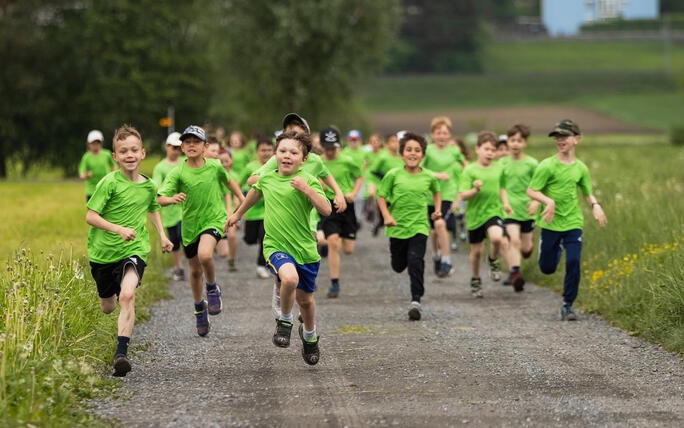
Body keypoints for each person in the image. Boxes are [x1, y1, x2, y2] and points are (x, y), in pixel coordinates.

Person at [227, 131, 331, 365]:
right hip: (276, 245)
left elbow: (326, 210)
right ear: (275, 154)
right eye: (282, 151)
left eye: (293, 152)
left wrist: (307, 190)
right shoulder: (267, 177)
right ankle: (284, 321)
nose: (287, 155)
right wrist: (237, 215)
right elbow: (253, 193)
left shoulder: (308, 180)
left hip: (305, 249)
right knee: (289, 279)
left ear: (303, 159)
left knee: (306, 301)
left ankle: (310, 336)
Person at [85, 125, 173, 376]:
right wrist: (118, 229)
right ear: (115, 156)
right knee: (108, 307)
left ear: (143, 153)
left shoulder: (148, 185)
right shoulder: (109, 183)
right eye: (123, 151)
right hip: (102, 253)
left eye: (134, 150)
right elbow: (90, 216)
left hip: (134, 249)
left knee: (127, 295)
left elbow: (153, 207)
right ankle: (110, 294)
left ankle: (121, 354)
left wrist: (163, 236)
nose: (129, 154)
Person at [247, 113, 347, 319]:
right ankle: (281, 291)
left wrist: (338, 194)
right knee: (286, 270)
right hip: (282, 217)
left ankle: (303, 302)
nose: (292, 132)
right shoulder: (280, 160)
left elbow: (328, 177)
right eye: (288, 129)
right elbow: (252, 181)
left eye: (298, 128)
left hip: (307, 218)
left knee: (304, 261)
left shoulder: (314, 161)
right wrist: (273, 178)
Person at [158, 125, 244, 337]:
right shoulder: (177, 171)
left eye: (196, 142)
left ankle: (213, 287)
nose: (191, 145)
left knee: (206, 255)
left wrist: (242, 201)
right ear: (182, 147)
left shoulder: (215, 166)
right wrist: (172, 199)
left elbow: (229, 182)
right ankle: (199, 308)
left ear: (206, 146)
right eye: (187, 142)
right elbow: (160, 198)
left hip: (214, 220)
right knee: (195, 271)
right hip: (190, 227)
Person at [527, 119, 607, 321]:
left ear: (576, 139)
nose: (559, 140)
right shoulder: (547, 165)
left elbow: (588, 193)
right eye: (557, 137)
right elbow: (531, 190)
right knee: (547, 268)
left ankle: (568, 304)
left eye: (564, 136)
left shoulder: (581, 168)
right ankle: (553, 250)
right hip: (550, 223)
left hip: (573, 221)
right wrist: (547, 201)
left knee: (573, 261)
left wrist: (595, 206)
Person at [377, 132, 441, 321]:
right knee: (398, 266)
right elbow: (381, 196)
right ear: (401, 153)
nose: (413, 153)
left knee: (415, 261)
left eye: (417, 150)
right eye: (409, 150)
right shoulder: (393, 175)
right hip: (397, 227)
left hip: (419, 226)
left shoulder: (429, 176)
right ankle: (402, 262)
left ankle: (416, 301)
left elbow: (437, 192)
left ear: (423, 155)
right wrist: (387, 216)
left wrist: (437, 210)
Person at [458, 131, 514, 298]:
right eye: (487, 149)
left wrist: (506, 203)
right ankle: (476, 279)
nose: (490, 153)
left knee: (497, 238)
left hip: (494, 211)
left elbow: (502, 188)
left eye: (493, 150)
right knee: (476, 252)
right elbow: (463, 195)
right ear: (477, 149)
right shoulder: (470, 171)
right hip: (475, 215)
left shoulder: (499, 168)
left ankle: (493, 260)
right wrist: (475, 189)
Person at [319, 127, 363, 298]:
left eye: (333, 147)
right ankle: (334, 283)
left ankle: (320, 239)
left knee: (348, 249)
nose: (330, 151)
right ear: (322, 146)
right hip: (329, 205)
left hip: (347, 204)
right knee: (333, 242)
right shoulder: (318, 163)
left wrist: (353, 193)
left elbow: (359, 176)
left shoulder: (347, 160)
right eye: (327, 147)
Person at [423, 116, 465, 278]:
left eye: (445, 133)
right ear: (433, 134)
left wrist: (460, 195)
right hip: (429, 196)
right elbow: (418, 168)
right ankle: (436, 255)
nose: (442, 136)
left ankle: (446, 260)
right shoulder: (428, 150)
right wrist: (437, 175)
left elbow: (465, 166)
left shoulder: (454, 151)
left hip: (448, 194)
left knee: (440, 224)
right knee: (433, 231)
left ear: (450, 135)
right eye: (438, 133)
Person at [499, 124, 539, 291]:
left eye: (519, 141)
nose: (515, 144)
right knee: (513, 240)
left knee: (525, 248)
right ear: (508, 141)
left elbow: (539, 185)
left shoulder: (532, 163)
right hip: (509, 209)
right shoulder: (502, 163)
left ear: (525, 143)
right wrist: (504, 202)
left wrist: (536, 202)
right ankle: (515, 274)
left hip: (528, 209)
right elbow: (499, 185)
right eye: (512, 140)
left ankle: (528, 246)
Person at [239, 137, 275, 279]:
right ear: (257, 152)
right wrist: (239, 198)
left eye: (269, 150)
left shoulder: (278, 167)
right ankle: (249, 238)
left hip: (269, 211)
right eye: (263, 150)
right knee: (250, 239)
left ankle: (261, 265)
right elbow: (238, 182)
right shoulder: (250, 167)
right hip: (252, 211)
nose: (266, 153)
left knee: (264, 238)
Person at [152, 132, 185, 281]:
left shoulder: (185, 162)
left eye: (179, 147)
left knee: (186, 236)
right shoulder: (160, 167)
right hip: (170, 209)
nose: (176, 150)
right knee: (174, 240)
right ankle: (178, 267)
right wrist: (170, 196)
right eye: (173, 147)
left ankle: (194, 264)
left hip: (186, 208)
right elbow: (157, 188)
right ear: (166, 147)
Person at [368, 132, 404, 236]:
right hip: (384, 191)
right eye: (393, 142)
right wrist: (385, 178)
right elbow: (373, 171)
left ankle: (395, 237)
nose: (396, 144)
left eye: (397, 142)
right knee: (384, 218)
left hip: (397, 192)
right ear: (387, 144)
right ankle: (376, 223)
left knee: (396, 218)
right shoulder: (383, 157)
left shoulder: (402, 157)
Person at [217, 147, 240, 271]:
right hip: (217, 210)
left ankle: (232, 259)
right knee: (222, 252)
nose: (224, 164)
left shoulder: (235, 176)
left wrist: (237, 210)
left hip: (230, 210)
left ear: (231, 160)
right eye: (221, 162)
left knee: (232, 236)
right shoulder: (216, 175)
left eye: (227, 161)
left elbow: (237, 194)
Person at [78, 129, 116, 201]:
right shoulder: (86, 157)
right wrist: (86, 175)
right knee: (93, 212)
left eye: (97, 143)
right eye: (93, 143)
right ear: (88, 144)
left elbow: (115, 165)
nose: (95, 145)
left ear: (101, 143)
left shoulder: (107, 154)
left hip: (106, 188)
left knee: (107, 211)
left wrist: (113, 174)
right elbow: (81, 174)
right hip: (91, 190)